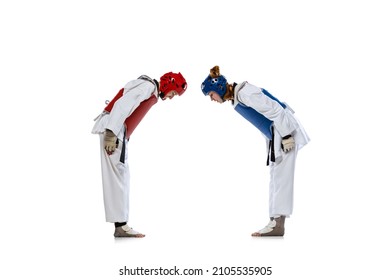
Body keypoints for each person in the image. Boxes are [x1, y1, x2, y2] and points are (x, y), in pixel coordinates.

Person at [201, 66, 309, 237]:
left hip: (285, 132)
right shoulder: (238, 96)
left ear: (218, 88)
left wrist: (287, 135)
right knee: (276, 176)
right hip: (277, 134)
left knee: (281, 178)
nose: (212, 99)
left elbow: (275, 109)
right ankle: (274, 221)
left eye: (211, 95)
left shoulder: (245, 93)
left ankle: (277, 224)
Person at [92, 72, 187, 237]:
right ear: (168, 85)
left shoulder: (148, 88)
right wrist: (111, 133)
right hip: (114, 130)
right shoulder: (148, 86)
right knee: (118, 177)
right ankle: (121, 226)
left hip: (118, 130)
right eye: (173, 93)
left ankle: (121, 225)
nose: (171, 97)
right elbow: (122, 106)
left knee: (122, 177)